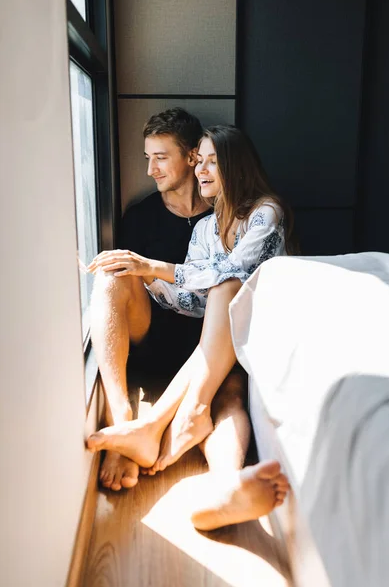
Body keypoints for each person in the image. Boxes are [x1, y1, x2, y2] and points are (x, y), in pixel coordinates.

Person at [87, 126, 294, 521]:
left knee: (229, 293)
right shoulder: (205, 227)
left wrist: (156, 267)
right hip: (215, 333)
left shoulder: (266, 212)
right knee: (225, 385)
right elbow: (192, 299)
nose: (202, 170)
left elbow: (231, 274)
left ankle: (178, 446)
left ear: (237, 165)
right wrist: (143, 277)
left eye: (213, 162)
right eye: (201, 161)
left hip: (257, 335)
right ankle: (221, 482)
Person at [89, 107, 211, 491]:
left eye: (161, 157)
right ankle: (121, 418)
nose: (150, 170)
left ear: (192, 157)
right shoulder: (141, 217)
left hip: (208, 346)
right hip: (151, 332)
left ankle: (140, 438)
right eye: (148, 158)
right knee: (113, 275)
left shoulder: (227, 215)